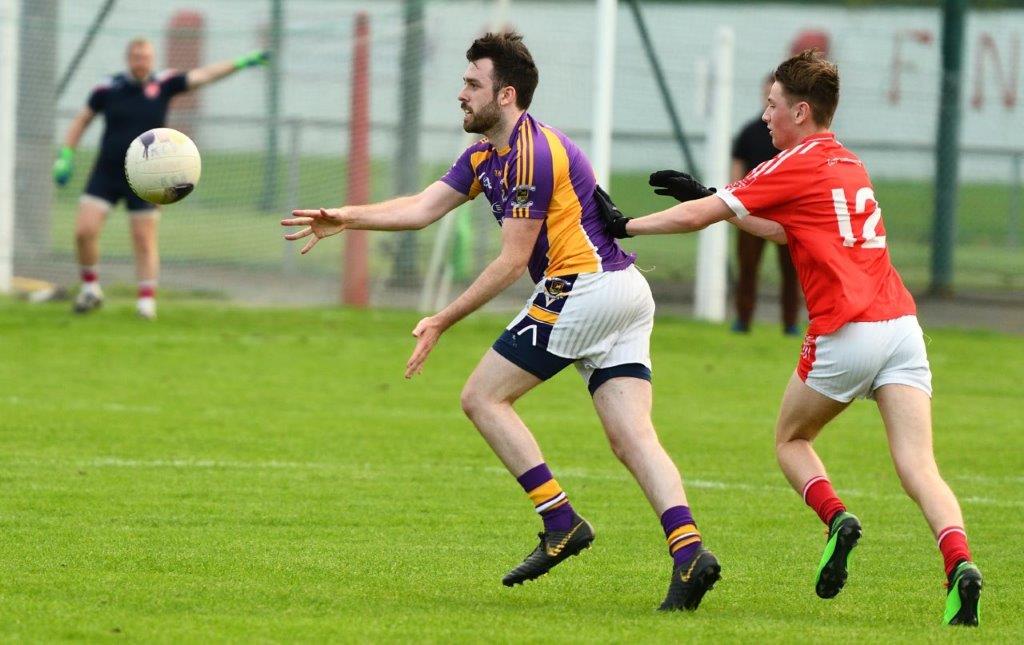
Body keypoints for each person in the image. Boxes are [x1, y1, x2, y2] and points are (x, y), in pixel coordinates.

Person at [281, 31, 720, 611]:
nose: (460, 93)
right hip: (624, 292)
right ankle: (689, 554)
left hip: (582, 288)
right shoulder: (486, 152)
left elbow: (513, 260)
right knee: (632, 437)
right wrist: (347, 217)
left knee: (483, 398)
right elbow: (421, 208)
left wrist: (441, 319)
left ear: (506, 94)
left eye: (472, 84)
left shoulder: (530, 155)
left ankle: (561, 521)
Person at [605, 50, 982, 626]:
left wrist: (626, 225)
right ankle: (959, 565)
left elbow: (696, 220)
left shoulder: (793, 163)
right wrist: (712, 196)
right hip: (902, 329)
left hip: (846, 331)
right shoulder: (847, 163)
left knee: (790, 439)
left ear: (801, 111)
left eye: (773, 104)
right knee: (919, 466)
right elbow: (785, 230)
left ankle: (837, 519)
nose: (765, 116)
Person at [54, 38, 269, 320]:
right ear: (128, 57)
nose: (140, 60)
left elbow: (205, 75)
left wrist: (241, 63)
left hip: (147, 177)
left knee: (144, 239)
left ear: (152, 58)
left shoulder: (165, 83)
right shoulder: (108, 88)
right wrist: (66, 154)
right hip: (106, 172)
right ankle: (90, 289)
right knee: (84, 231)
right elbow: (83, 119)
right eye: (135, 55)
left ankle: (145, 303)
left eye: (145, 55)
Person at [731, 75, 800, 335]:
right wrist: (733, 203)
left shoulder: (794, 137)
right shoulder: (749, 133)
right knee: (747, 268)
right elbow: (737, 172)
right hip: (753, 212)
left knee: (793, 271)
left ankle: (791, 322)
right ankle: (742, 319)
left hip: (788, 214)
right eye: (767, 98)